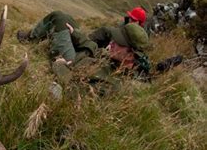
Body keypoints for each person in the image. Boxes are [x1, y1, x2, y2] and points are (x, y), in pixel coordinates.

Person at [17, 11, 150, 94]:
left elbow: (72, 90)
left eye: (118, 43)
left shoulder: (113, 86)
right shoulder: (117, 59)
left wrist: (60, 65)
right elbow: (96, 51)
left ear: (130, 55)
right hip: (81, 53)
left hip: (69, 62)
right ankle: (31, 36)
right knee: (65, 18)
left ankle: (30, 39)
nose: (111, 43)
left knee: (58, 17)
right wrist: (77, 36)